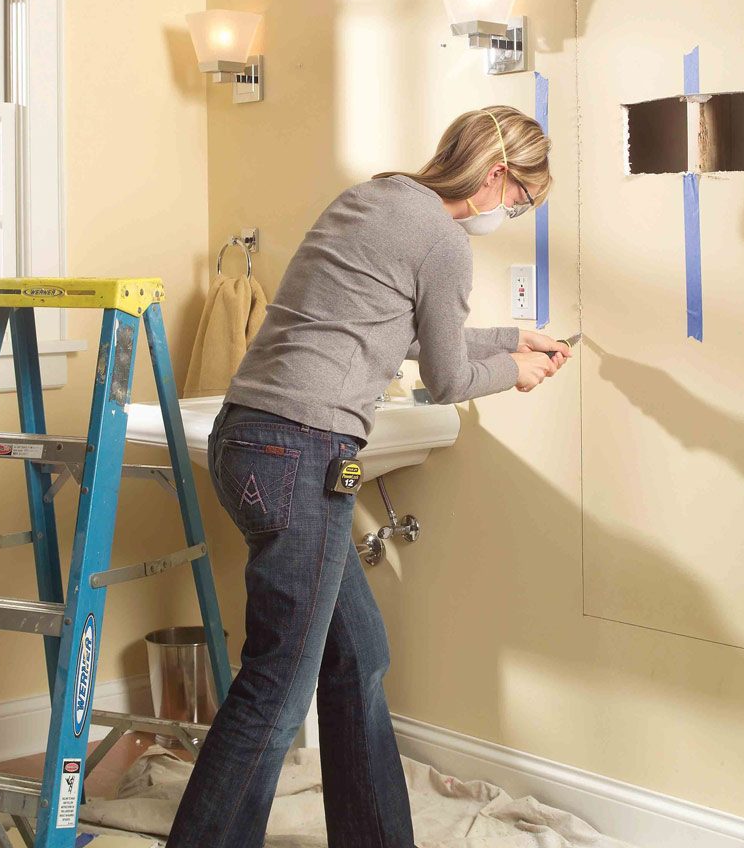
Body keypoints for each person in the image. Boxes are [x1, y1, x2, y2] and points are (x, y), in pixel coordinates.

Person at [166, 105, 571, 848]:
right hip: (301, 454)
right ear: (495, 176)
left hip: (244, 437)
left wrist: (513, 336)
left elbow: (407, 328)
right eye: (521, 200)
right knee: (277, 692)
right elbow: (446, 377)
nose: (514, 212)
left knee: (358, 656)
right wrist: (515, 372)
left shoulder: (374, 197)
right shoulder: (446, 242)